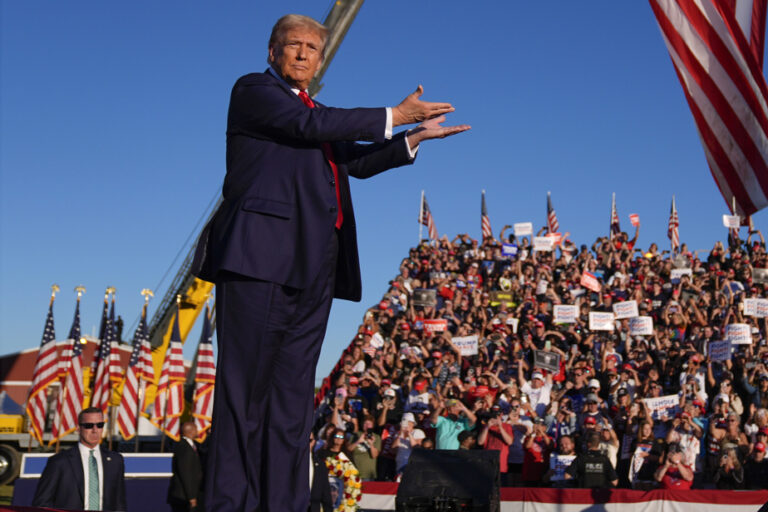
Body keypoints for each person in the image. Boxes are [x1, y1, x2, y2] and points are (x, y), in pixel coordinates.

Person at [191, 13, 469, 511]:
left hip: (314, 269)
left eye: (311, 48)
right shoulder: (255, 92)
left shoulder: (316, 113)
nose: (301, 54)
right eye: (292, 45)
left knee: (293, 407)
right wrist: (393, 114)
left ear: (320, 61)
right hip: (258, 263)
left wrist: (411, 139)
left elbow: (354, 160)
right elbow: (310, 125)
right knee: (243, 402)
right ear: (272, 52)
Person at [32, 407, 126, 511]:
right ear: (78, 428)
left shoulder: (116, 460)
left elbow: (119, 502)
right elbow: (42, 502)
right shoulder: (59, 462)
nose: (95, 430)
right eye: (89, 426)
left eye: (99, 425)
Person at [168, 422, 204, 512]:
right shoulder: (184, 448)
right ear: (190, 431)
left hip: (186, 495)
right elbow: (186, 474)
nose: (198, 431)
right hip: (183, 496)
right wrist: (191, 497)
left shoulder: (190, 446)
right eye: (196, 429)